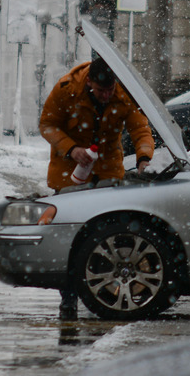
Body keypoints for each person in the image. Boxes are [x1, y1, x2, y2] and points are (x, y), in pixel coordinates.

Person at [38, 56, 155, 319]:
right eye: (101, 90)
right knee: (70, 237)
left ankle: (104, 292)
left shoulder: (123, 93)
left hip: (108, 169)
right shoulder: (67, 89)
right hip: (70, 172)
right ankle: (68, 297)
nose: (106, 95)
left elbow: (141, 129)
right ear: (89, 81)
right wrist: (71, 148)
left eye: (109, 90)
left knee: (105, 233)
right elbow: (47, 124)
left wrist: (144, 158)